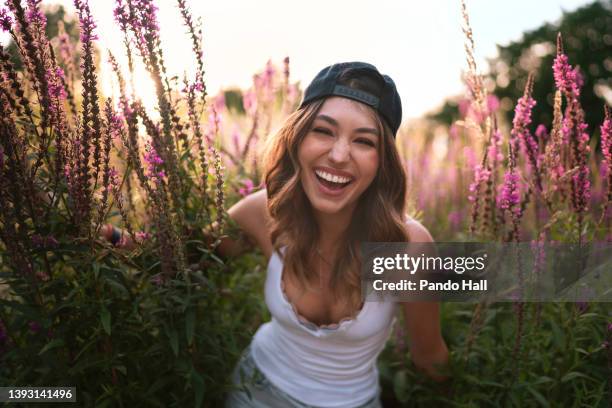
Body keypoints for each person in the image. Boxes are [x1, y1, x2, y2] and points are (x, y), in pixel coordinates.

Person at [102, 62, 449, 407]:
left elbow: (429, 357)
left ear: (382, 162)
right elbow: (186, 255)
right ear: (297, 139)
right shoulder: (267, 210)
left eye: (363, 141)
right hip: (255, 392)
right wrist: (107, 234)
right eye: (323, 131)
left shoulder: (409, 248)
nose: (339, 155)